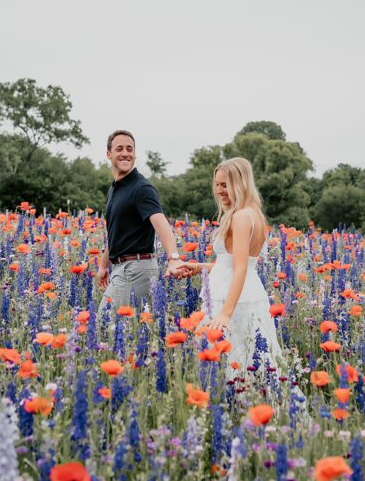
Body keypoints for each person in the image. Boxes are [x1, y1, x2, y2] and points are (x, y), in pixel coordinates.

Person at [182, 157, 282, 380]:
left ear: (240, 183)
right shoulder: (254, 213)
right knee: (257, 364)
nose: (219, 190)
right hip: (250, 295)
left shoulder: (240, 216)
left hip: (231, 299)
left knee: (232, 366)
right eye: (217, 184)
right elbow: (234, 263)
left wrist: (225, 313)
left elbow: (240, 269)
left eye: (225, 185)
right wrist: (200, 267)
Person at [96, 130, 186, 318]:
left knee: (105, 323)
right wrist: (104, 266)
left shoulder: (142, 188)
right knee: (125, 330)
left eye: (130, 149)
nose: (125, 153)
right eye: (119, 148)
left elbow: (162, 225)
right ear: (108, 154)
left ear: (135, 155)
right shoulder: (115, 189)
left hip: (136, 268)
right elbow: (116, 233)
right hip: (121, 267)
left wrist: (174, 257)